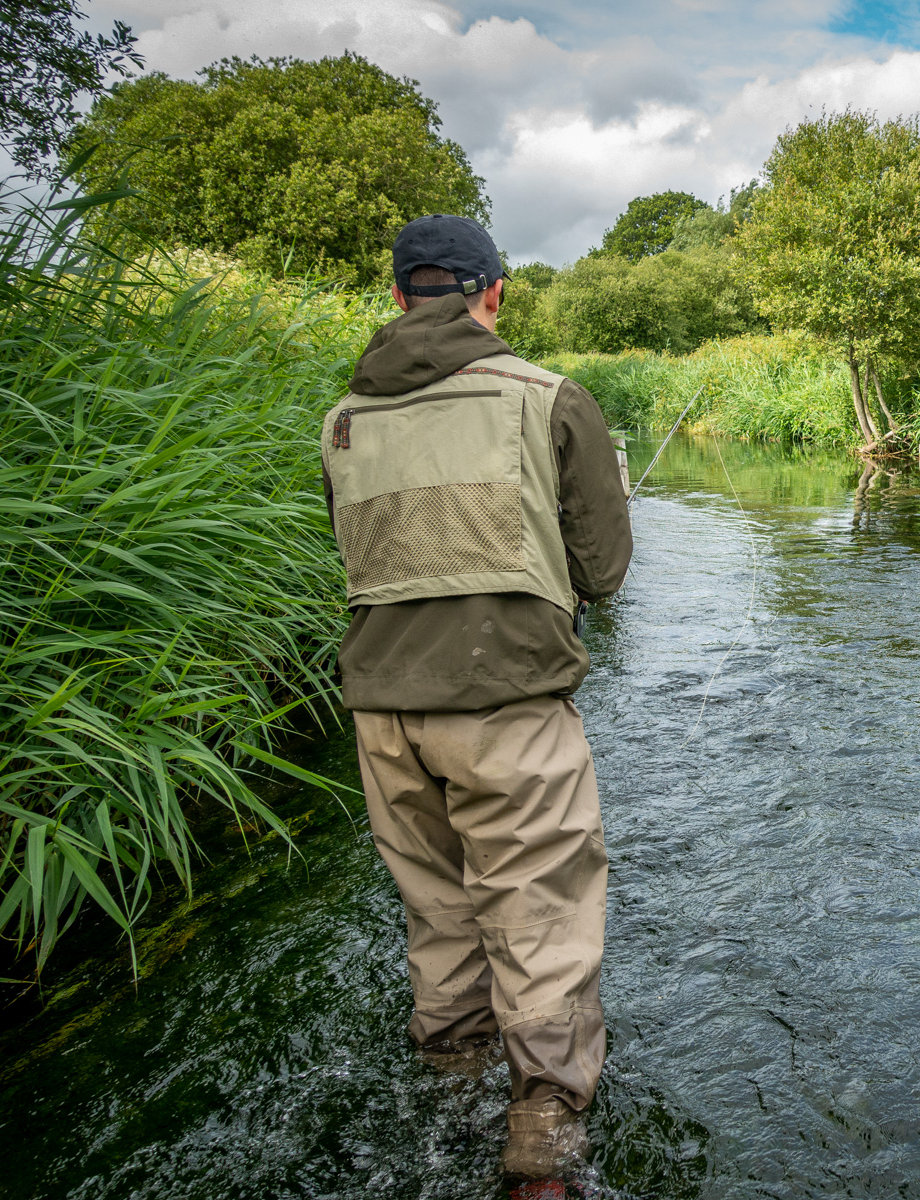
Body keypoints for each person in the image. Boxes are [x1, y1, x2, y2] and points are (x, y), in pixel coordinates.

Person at [319, 214, 632, 1184]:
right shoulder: (551, 400)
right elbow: (604, 571)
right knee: (537, 924)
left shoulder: (345, 420)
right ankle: (541, 1150)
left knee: (440, 918)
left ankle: (448, 1100)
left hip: (383, 720)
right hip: (508, 713)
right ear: (492, 293)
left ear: (403, 295)